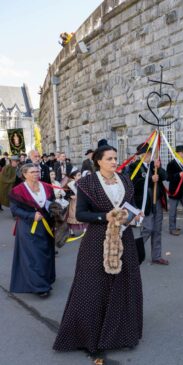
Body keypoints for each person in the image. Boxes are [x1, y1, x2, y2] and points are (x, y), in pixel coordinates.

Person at [53, 145, 143, 359]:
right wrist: (105, 217)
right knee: (93, 287)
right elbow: (82, 214)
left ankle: (123, 335)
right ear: (98, 161)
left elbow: (133, 206)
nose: (114, 161)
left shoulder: (125, 180)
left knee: (124, 284)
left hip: (124, 239)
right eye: (109, 158)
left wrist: (135, 215)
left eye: (115, 158)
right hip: (96, 241)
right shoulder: (87, 183)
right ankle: (88, 336)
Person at [9, 163, 55, 297]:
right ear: (24, 174)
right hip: (28, 227)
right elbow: (15, 210)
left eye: (37, 171)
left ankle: (46, 278)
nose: (36, 174)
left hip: (46, 225)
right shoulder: (17, 190)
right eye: (33, 172)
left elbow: (50, 203)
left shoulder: (46, 186)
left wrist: (55, 208)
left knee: (46, 252)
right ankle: (40, 287)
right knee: (33, 256)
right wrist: (31, 215)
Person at [129, 143, 169, 265]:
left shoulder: (154, 165)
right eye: (146, 153)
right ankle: (134, 254)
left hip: (157, 201)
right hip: (144, 203)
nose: (148, 156)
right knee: (147, 229)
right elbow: (134, 184)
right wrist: (150, 179)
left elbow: (165, 176)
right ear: (141, 155)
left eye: (150, 153)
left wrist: (159, 167)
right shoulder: (134, 166)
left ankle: (156, 256)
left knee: (157, 230)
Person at [66, 170, 85, 235]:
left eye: (80, 175)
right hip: (74, 202)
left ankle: (85, 229)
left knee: (83, 214)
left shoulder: (82, 183)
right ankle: (71, 230)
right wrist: (71, 196)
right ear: (74, 177)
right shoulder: (70, 184)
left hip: (81, 201)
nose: (80, 176)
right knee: (73, 216)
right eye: (78, 175)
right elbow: (66, 193)